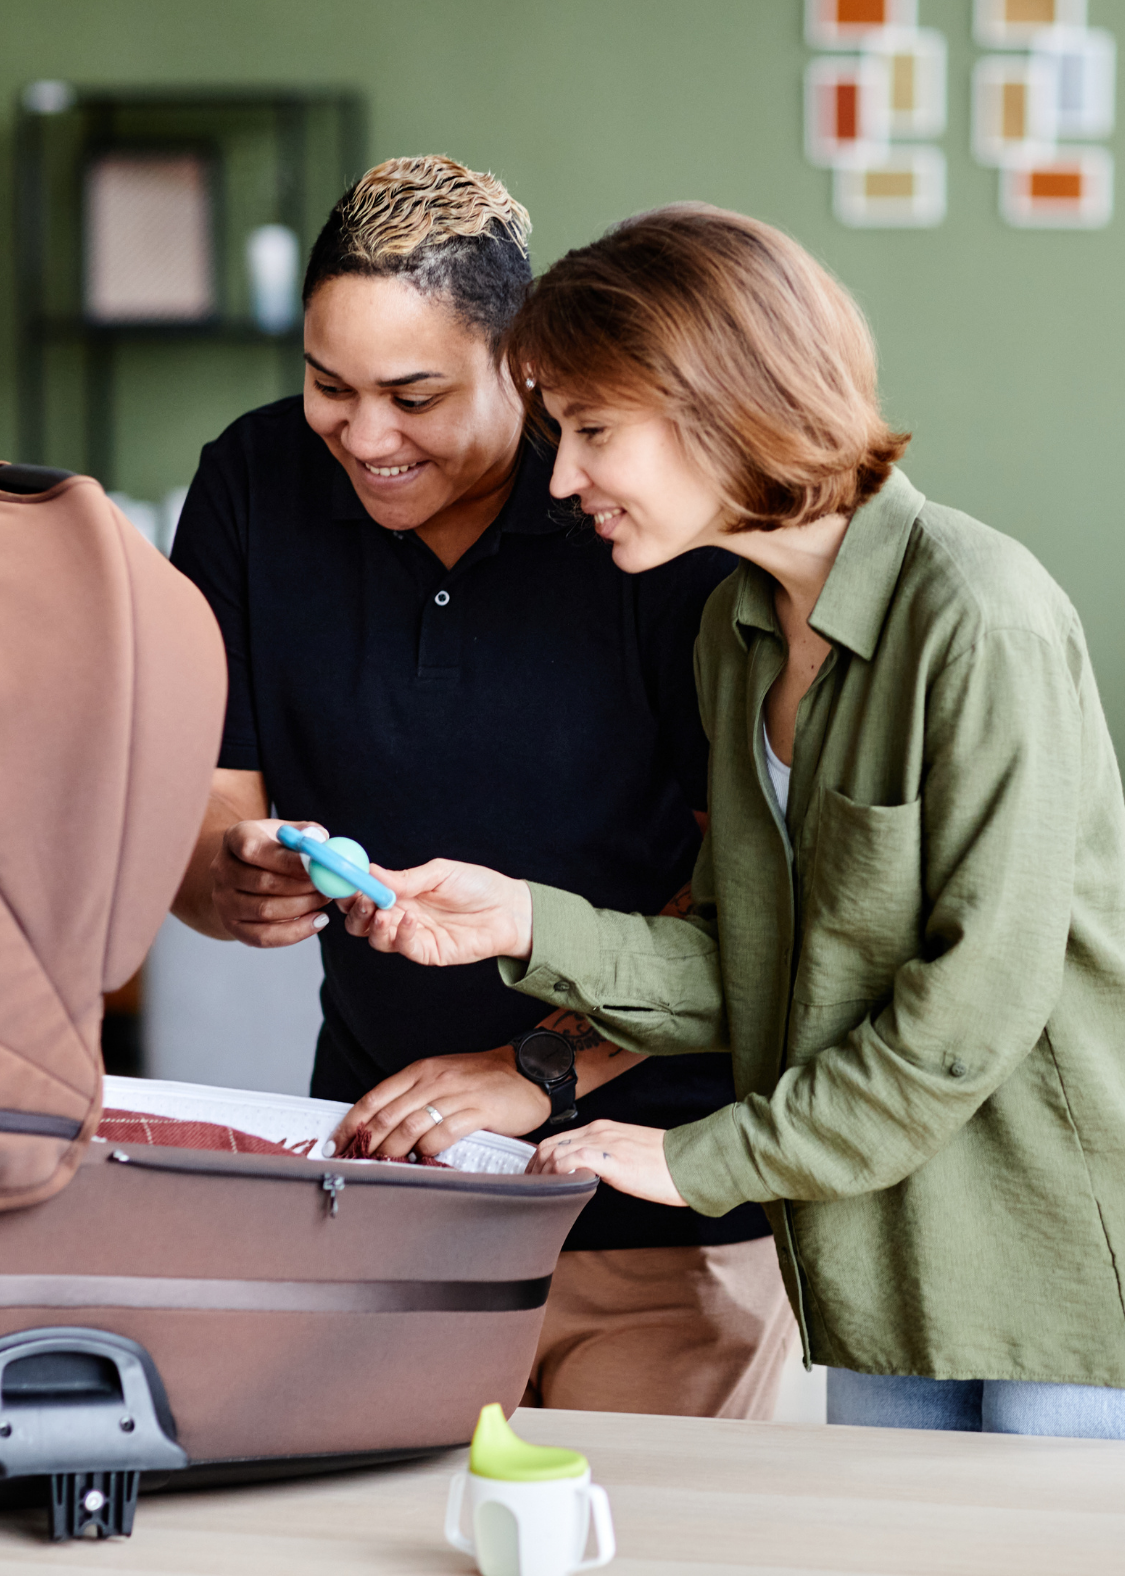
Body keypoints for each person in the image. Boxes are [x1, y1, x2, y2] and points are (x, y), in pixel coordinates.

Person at [344, 204, 1125, 1441]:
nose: (562, 481)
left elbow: (966, 1016)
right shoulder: (736, 636)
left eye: (595, 432)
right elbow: (750, 964)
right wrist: (518, 919)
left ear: (719, 399)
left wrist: (694, 1160)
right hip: (891, 1275)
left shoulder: (982, 617)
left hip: (1082, 1273)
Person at [168, 159, 794, 1419]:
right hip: (382, 1189)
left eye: (413, 394)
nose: (365, 435)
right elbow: (197, 814)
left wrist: (538, 1068)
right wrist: (230, 876)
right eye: (327, 386)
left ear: (525, 365)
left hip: (655, 1206)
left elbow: (748, 900)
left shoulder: (639, 519)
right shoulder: (251, 486)